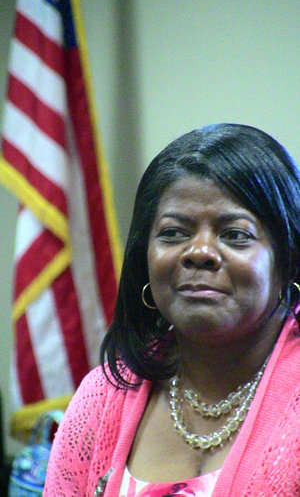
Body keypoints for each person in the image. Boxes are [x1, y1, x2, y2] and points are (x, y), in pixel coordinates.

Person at [44, 124, 300, 497]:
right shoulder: (102, 396)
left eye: (235, 235)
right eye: (174, 232)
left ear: (289, 260)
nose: (199, 252)